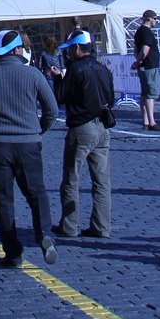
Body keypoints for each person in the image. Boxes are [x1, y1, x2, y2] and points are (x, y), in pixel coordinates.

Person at [0, 29, 59, 268]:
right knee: (36, 192)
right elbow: (52, 110)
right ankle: (44, 233)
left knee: (3, 199)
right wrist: (38, 129)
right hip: (28, 143)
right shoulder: (33, 74)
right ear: (17, 50)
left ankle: (13, 252)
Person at [54, 29, 114, 239]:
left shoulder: (76, 69)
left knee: (71, 178)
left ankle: (69, 225)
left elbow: (60, 97)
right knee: (101, 181)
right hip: (102, 127)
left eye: (70, 50)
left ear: (77, 48)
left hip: (81, 128)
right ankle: (101, 226)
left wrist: (57, 79)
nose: (68, 54)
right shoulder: (103, 69)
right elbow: (111, 97)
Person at [132, 11, 160, 130]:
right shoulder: (146, 32)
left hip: (144, 66)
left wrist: (137, 62)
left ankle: (145, 121)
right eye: (155, 19)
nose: (156, 21)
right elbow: (144, 50)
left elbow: (136, 49)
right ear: (149, 19)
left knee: (144, 94)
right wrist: (139, 61)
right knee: (150, 93)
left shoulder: (139, 31)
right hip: (149, 66)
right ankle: (152, 122)